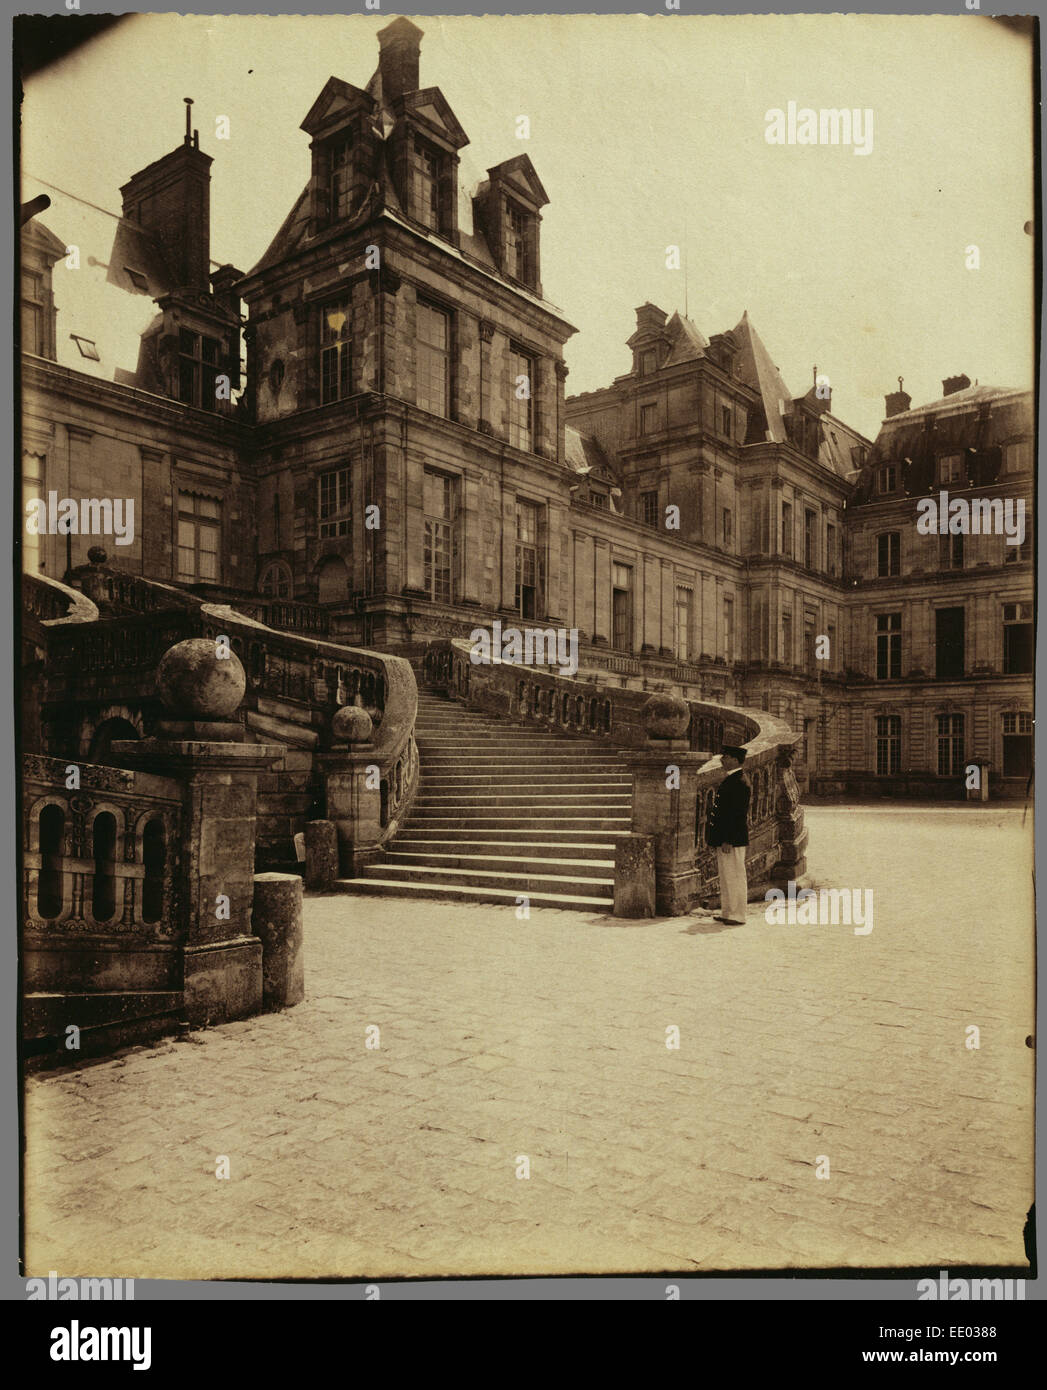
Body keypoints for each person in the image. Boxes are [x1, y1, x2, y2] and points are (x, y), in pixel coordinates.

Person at [704, 744, 751, 924]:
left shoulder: (739, 781)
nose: (722, 759)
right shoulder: (733, 779)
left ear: (735, 760)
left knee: (736, 876)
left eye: (726, 757)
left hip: (732, 839)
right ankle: (727, 911)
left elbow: (737, 815)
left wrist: (728, 839)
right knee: (726, 876)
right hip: (726, 837)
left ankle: (738, 914)